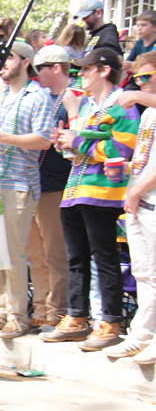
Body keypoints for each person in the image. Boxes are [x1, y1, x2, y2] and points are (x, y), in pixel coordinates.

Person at [45, 48, 139, 350]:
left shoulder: (122, 104)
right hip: (74, 189)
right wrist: (66, 144)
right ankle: (77, 316)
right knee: (76, 258)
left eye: (86, 69)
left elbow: (122, 150)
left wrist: (78, 142)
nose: (80, 74)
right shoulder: (87, 108)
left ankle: (110, 321)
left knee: (105, 257)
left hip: (102, 192)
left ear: (104, 71)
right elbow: (78, 151)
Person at [0, 41, 54, 339]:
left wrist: (4, 137)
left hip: (20, 183)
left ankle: (18, 314)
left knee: (14, 252)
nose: (2, 63)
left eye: (8, 58)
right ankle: (2, 309)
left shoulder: (39, 96)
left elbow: (44, 139)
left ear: (26, 62)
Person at [108, 51, 156, 363]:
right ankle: (142, 333)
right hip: (139, 200)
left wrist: (138, 189)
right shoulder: (149, 113)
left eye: (147, 77)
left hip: (148, 200)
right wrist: (128, 170)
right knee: (142, 271)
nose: (141, 84)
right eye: (138, 78)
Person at [26, 46, 73, 333]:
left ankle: (58, 311)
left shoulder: (74, 98)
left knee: (55, 252)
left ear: (56, 67)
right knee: (34, 253)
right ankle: (41, 307)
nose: (35, 76)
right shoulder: (40, 98)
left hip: (56, 185)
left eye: (39, 69)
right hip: (31, 182)